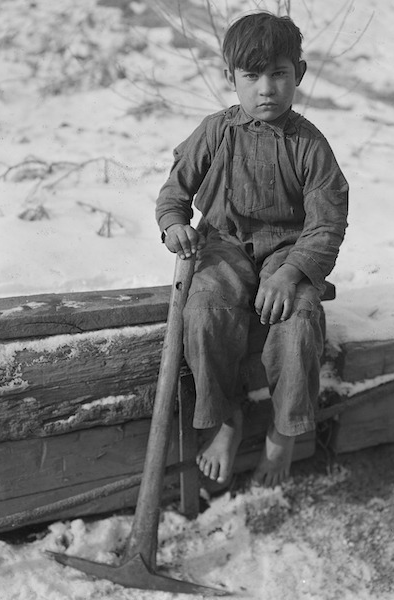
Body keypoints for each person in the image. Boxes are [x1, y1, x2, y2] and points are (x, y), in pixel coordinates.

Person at [155, 11, 348, 488]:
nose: (266, 88)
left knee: (299, 319)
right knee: (203, 312)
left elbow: (327, 222)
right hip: (222, 244)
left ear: (298, 75)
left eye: (279, 74)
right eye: (251, 76)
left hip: (289, 252)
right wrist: (174, 225)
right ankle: (225, 420)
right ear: (230, 79)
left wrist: (291, 273)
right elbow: (174, 194)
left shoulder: (310, 145)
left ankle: (284, 432)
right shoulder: (215, 131)